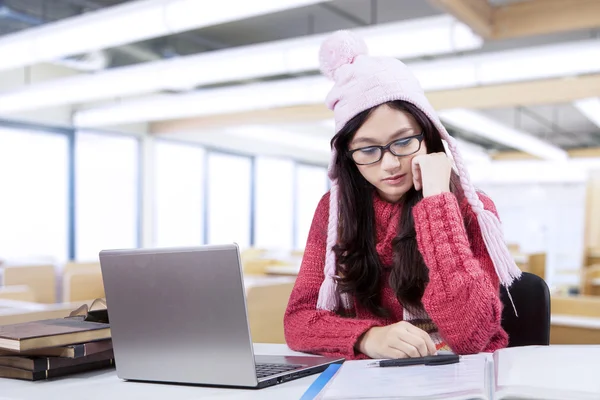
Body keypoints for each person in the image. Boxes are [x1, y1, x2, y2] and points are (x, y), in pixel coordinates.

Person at [283, 30, 522, 361]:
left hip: (458, 377)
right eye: (368, 150)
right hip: (371, 380)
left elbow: (471, 335)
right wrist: (368, 337)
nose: (390, 164)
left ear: (429, 136)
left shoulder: (472, 207)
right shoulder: (335, 210)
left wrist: (438, 202)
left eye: (404, 141)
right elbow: (298, 322)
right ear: (346, 156)